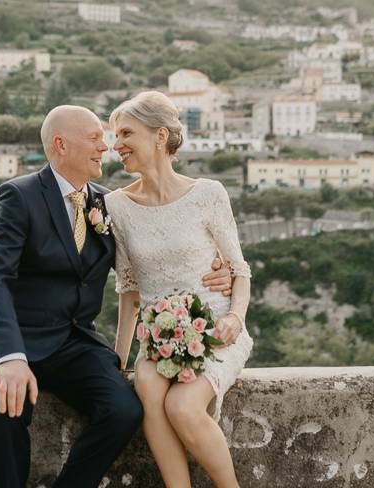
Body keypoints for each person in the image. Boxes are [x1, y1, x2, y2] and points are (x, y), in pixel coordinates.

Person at [0, 104, 234, 488]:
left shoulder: (108, 204)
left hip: (73, 342)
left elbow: (148, 264)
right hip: (16, 337)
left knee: (123, 409)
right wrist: (8, 357)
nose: (104, 148)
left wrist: (215, 272)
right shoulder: (19, 196)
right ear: (60, 144)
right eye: (94, 138)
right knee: (5, 409)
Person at [106, 91, 253, 488]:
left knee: (184, 407)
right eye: (113, 136)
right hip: (157, 336)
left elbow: (239, 271)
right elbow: (130, 290)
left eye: (125, 133)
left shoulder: (208, 194)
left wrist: (235, 318)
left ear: (159, 136)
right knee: (148, 386)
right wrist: (118, 358)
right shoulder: (116, 206)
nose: (115, 145)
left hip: (216, 326)